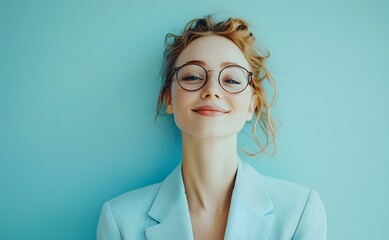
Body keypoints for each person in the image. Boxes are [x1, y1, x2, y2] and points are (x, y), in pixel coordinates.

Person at [97, 15, 327, 240]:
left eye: (231, 80)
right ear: (169, 99)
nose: (212, 89)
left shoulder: (300, 212)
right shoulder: (120, 220)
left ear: (251, 105)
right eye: (192, 76)